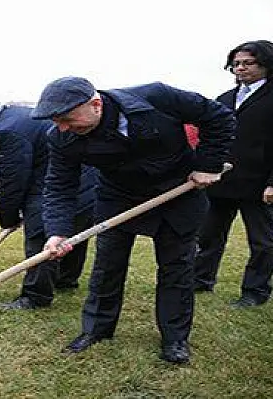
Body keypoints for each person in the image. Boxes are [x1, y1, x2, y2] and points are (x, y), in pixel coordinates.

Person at [35, 77, 235, 364]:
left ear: (95, 105)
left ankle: (175, 339)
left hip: (177, 192)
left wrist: (208, 164)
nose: (63, 127)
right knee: (107, 266)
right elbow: (59, 185)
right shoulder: (61, 137)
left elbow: (218, 116)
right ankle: (96, 330)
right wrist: (57, 232)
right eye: (56, 121)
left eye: (67, 118)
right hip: (118, 197)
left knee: (176, 267)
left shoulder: (156, 97)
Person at [0, 97, 97, 309]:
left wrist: (8, 217)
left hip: (57, 184)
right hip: (83, 182)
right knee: (71, 232)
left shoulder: (5, 131)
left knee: (40, 237)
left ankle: (35, 296)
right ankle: (65, 279)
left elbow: (13, 180)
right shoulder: (14, 115)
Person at [193, 40, 273, 308]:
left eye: (247, 63)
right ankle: (201, 280)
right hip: (222, 181)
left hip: (259, 183)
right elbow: (210, 136)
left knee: (262, 242)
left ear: (266, 64)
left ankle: (255, 291)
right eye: (236, 64)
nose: (240, 68)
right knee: (208, 236)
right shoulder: (224, 99)